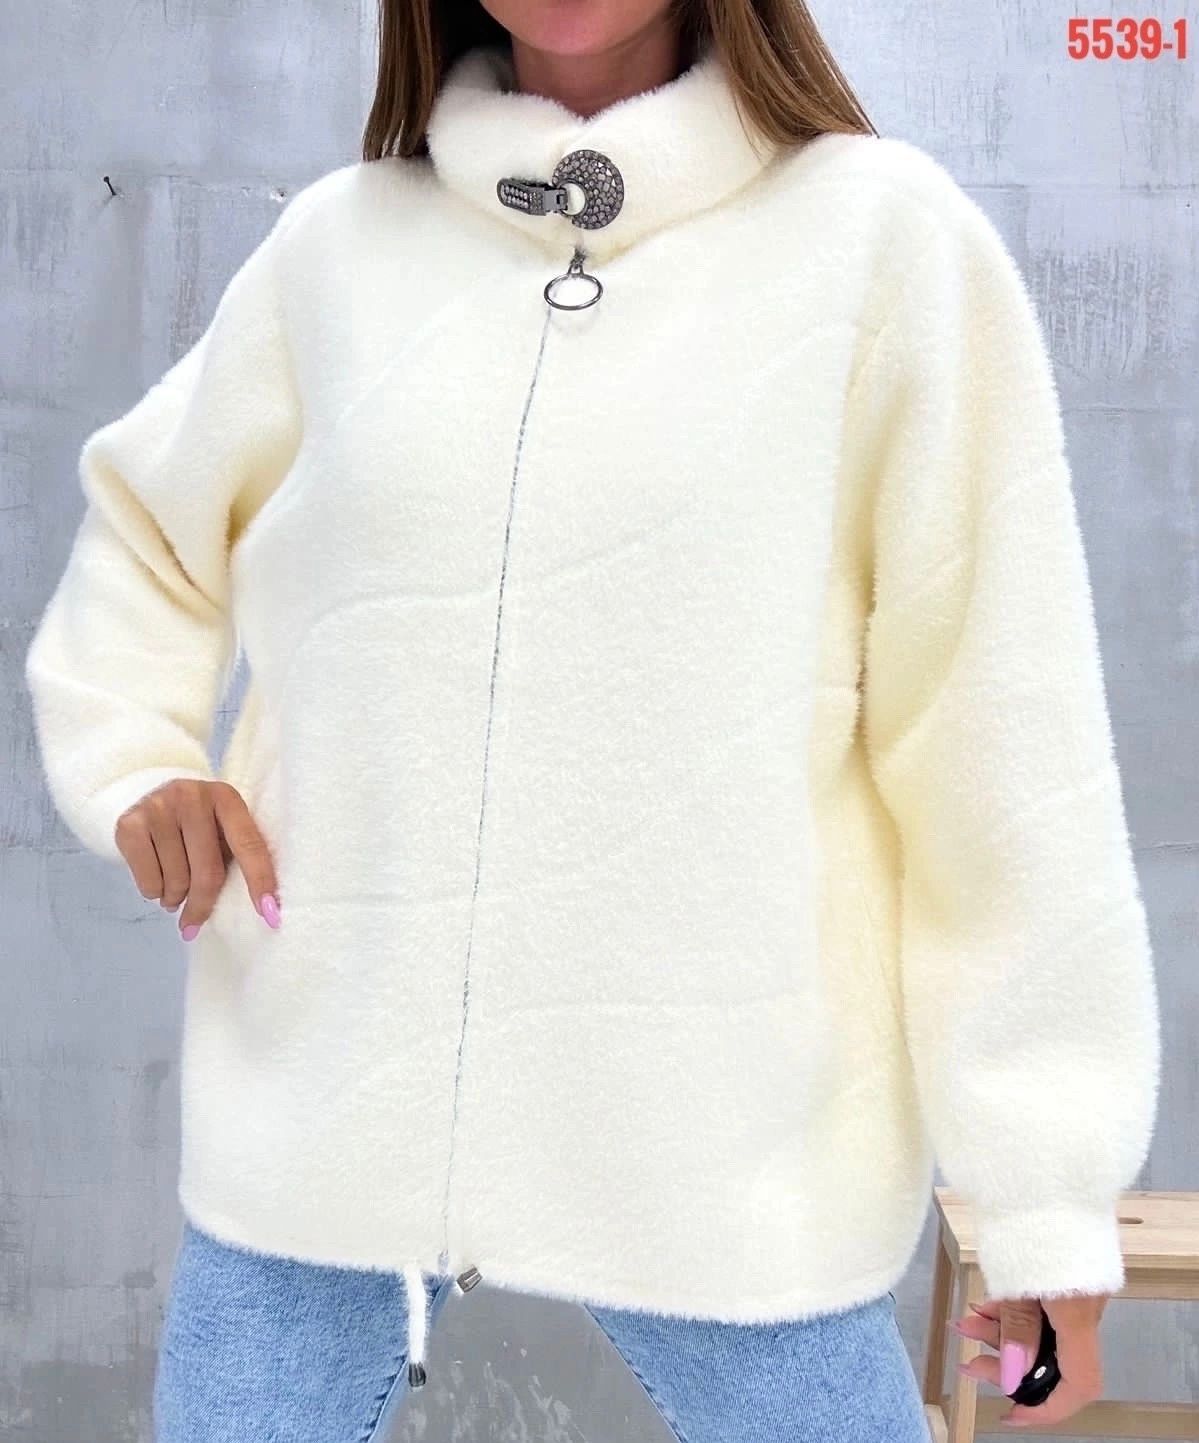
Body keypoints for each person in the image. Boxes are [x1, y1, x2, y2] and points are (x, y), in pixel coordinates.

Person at [23, 0, 1162, 1440]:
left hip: (725, 1142)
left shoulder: (885, 247)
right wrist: (136, 763)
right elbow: (148, 532)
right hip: (323, 1109)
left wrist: (1046, 1206)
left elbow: (1000, 741)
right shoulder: (338, 252)